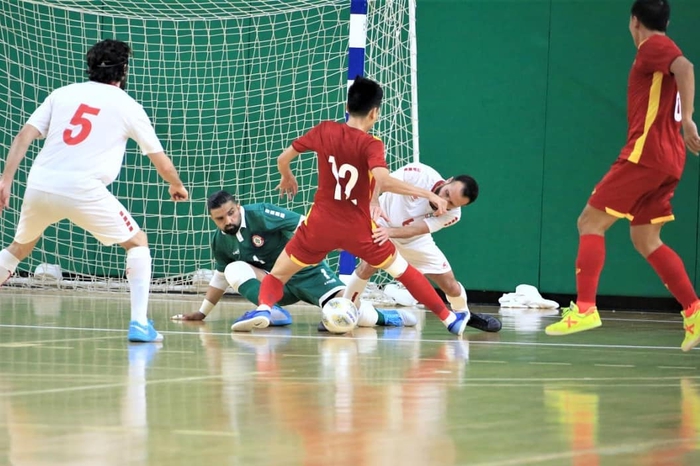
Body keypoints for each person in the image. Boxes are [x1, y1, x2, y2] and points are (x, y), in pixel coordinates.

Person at [241, 75, 470, 337]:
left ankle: (263, 308)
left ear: (347, 107)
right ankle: (449, 318)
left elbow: (283, 158)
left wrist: (287, 175)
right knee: (404, 272)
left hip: (319, 226)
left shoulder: (324, 129)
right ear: (374, 112)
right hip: (359, 229)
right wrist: (429, 195)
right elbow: (384, 180)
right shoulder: (371, 144)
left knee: (279, 274)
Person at [0, 39, 188, 343]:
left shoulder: (62, 94)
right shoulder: (127, 105)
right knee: (137, 242)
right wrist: (176, 184)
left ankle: (141, 324)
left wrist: (5, 180)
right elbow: (160, 160)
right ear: (123, 70)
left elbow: (24, 136)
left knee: (18, 249)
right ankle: (140, 324)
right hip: (82, 189)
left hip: (40, 184)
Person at [545, 0, 700, 352]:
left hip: (646, 154)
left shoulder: (653, 46)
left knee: (590, 222)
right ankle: (694, 310)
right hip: (670, 159)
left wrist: (689, 117)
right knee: (646, 239)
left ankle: (585, 309)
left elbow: (686, 67)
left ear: (634, 22)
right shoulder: (660, 50)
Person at [170, 190, 416, 331]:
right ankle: (271, 311)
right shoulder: (220, 240)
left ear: (239, 207)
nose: (227, 221)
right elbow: (220, 278)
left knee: (342, 317)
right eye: (220, 219)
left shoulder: (261, 214)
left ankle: (389, 318)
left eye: (230, 213)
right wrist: (202, 313)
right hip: (274, 285)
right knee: (233, 269)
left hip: (306, 272)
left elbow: (304, 225)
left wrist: (333, 242)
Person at [341, 161, 501, 333]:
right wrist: (374, 202)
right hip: (381, 221)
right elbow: (383, 181)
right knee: (367, 266)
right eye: (446, 193)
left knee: (449, 284)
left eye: (452, 203)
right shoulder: (419, 172)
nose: (444, 202)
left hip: (414, 240)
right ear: (448, 180)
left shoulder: (453, 215)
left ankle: (463, 314)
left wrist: (390, 232)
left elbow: (417, 229)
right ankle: (344, 310)